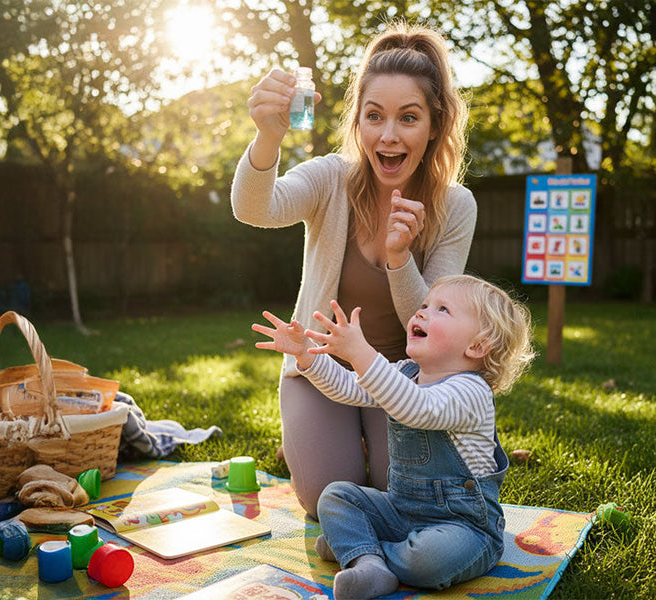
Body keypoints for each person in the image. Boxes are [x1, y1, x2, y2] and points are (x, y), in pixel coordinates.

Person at [231, 21, 476, 518]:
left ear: (435, 125)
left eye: (408, 118)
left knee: (404, 502)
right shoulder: (330, 179)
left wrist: (399, 258)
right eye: (374, 116)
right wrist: (266, 138)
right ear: (358, 121)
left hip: (402, 379)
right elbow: (255, 209)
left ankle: (358, 438)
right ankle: (326, 438)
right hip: (319, 367)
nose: (388, 135)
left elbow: (428, 325)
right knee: (327, 503)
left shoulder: (455, 206)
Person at [252, 274, 536, 599]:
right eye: (425, 304)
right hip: (401, 511)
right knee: (335, 496)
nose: (422, 312)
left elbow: (418, 408)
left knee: (428, 561)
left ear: (477, 346)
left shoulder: (471, 391)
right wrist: (307, 355)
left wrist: (362, 353)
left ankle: (358, 543)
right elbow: (348, 387)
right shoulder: (406, 373)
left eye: (442, 309)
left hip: (464, 527)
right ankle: (368, 564)